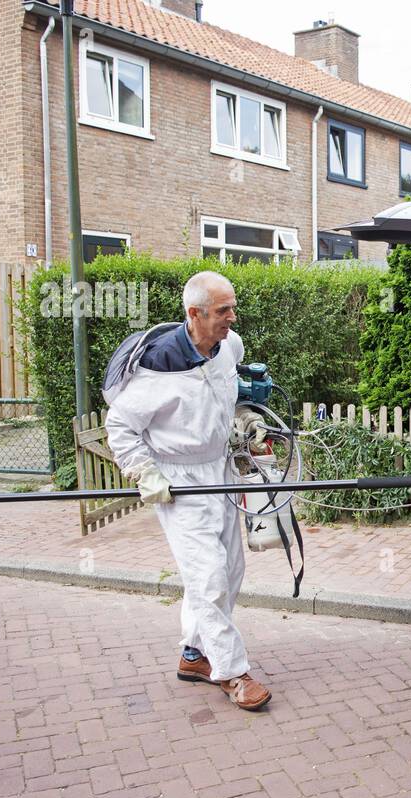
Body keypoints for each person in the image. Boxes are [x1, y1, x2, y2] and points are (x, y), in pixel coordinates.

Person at [104, 271, 272, 710]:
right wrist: (145, 473)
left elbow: (228, 394)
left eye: (233, 307)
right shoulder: (156, 370)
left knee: (231, 570)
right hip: (178, 482)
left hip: (220, 471)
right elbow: (120, 425)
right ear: (194, 314)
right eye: (223, 311)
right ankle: (232, 672)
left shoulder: (227, 347)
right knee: (208, 576)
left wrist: (247, 419)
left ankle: (194, 654)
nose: (232, 318)